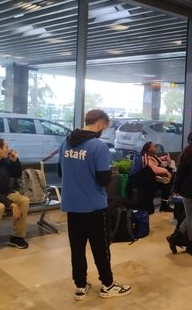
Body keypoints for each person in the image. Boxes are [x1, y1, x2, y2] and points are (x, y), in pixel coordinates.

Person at [59, 109, 131, 301]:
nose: (103, 131)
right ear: (99, 124)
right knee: (100, 248)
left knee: (77, 247)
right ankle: (108, 285)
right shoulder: (98, 146)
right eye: (104, 127)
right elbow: (103, 179)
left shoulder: (65, 142)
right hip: (93, 206)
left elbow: (60, 172)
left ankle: (80, 286)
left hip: (72, 205)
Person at [140, 141, 174, 212]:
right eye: (153, 146)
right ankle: (164, 204)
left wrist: (165, 158)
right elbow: (154, 169)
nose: (156, 147)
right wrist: (166, 171)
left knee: (169, 180)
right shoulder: (145, 158)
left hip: (157, 178)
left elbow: (158, 160)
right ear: (149, 149)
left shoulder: (153, 156)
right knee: (169, 180)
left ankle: (164, 204)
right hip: (151, 180)